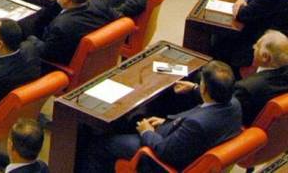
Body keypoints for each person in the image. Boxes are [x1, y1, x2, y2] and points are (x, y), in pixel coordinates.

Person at [82, 61, 242, 173]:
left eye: (201, 83)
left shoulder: (197, 124)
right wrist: (193, 90)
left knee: (101, 144)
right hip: (182, 141)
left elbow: (164, 152)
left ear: (206, 89)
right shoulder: (234, 103)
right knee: (135, 119)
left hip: (158, 158)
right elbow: (206, 109)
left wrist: (147, 132)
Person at [24, 0, 114, 65]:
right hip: (101, 56)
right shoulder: (100, 2)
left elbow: (47, 53)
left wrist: (31, 38)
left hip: (61, 62)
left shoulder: (61, 26)